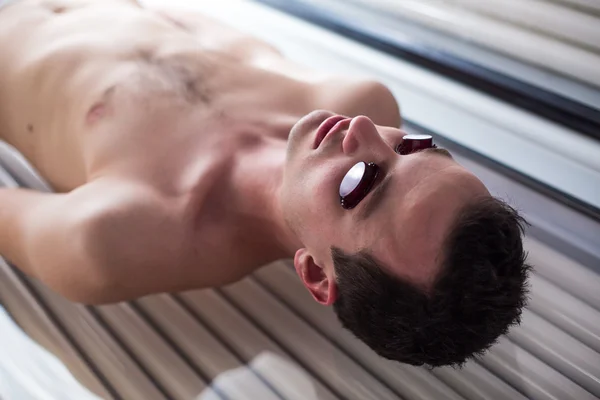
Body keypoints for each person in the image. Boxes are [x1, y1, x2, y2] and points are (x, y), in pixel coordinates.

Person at [0, 0, 530, 367]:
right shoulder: (362, 99)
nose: (366, 132)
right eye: (414, 146)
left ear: (317, 276)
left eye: (359, 185)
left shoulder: (118, 238)